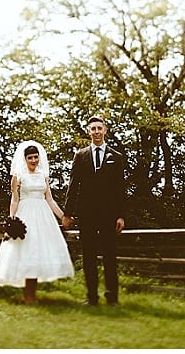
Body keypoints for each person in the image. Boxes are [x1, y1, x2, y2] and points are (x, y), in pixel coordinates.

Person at [0, 140, 74, 303]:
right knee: (26, 251)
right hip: (25, 214)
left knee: (38, 251)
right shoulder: (18, 177)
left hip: (43, 216)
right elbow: (14, 200)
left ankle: (32, 294)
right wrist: (12, 219)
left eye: (36, 157)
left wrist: (63, 216)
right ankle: (28, 296)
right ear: (25, 159)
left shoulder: (43, 176)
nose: (34, 160)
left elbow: (50, 200)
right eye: (30, 158)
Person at [62, 116, 126, 306]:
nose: (96, 132)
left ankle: (112, 297)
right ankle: (91, 298)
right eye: (93, 129)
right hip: (87, 214)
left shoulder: (116, 156)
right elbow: (73, 185)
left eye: (100, 128)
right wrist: (67, 212)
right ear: (88, 132)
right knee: (89, 256)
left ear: (105, 130)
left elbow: (120, 189)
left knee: (109, 256)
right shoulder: (80, 156)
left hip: (109, 214)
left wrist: (121, 215)